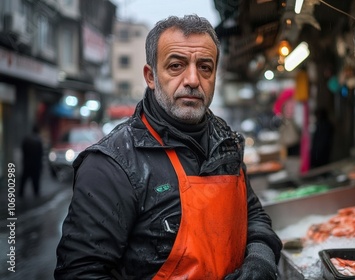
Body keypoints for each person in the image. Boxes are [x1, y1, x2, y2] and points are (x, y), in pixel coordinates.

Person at [54, 15, 282, 279]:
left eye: (205, 67)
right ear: (151, 76)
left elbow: (252, 214)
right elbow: (81, 272)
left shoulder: (226, 144)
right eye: (176, 66)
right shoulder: (111, 165)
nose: (193, 80)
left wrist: (260, 258)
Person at [19, 124, 44, 197]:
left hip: (27, 163)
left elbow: (23, 151)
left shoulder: (26, 139)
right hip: (35, 164)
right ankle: (36, 193)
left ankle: (21, 193)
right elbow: (40, 154)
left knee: (24, 179)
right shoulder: (38, 140)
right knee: (35, 180)